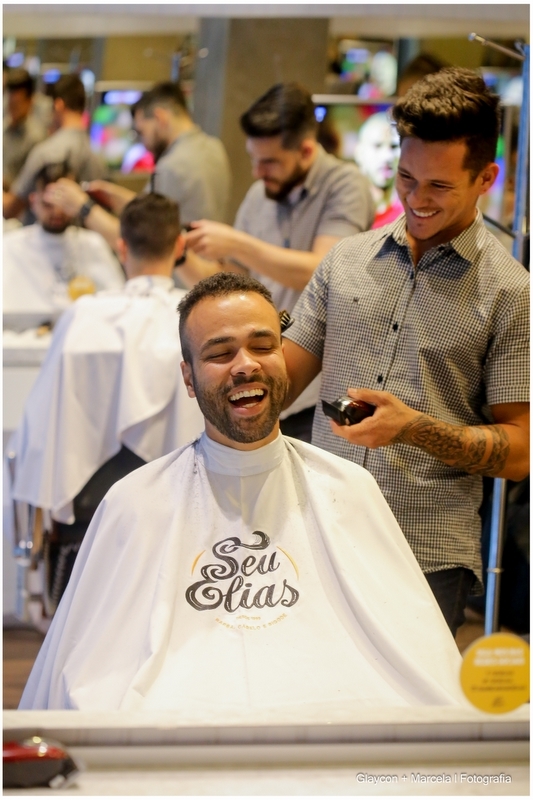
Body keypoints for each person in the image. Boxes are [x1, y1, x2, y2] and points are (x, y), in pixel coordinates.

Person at [20, 272, 465, 713]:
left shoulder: (347, 487)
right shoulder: (135, 501)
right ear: (189, 378)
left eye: (263, 346)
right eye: (219, 352)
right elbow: (85, 672)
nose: (246, 364)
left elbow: (418, 659)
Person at [281, 68, 530, 636]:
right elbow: (283, 379)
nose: (416, 200)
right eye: (405, 178)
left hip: (427, 554)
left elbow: (520, 452)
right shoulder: (345, 261)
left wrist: (414, 428)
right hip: (320, 529)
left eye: (439, 187)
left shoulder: (510, 292)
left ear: (486, 177)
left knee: (407, 722)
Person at [10, 193, 204, 612]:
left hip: (90, 506)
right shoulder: (196, 320)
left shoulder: (84, 316)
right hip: (178, 502)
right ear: (179, 247)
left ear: (121, 247)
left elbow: (41, 430)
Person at [182, 82, 375, 440]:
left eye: (269, 161)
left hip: (315, 391)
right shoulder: (261, 193)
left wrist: (238, 242)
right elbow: (232, 280)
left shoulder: (345, 185)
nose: (257, 172)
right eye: (254, 159)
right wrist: (180, 257)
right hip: (261, 379)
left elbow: (326, 271)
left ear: (305, 150)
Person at [41, 81, 232, 252]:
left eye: (141, 132)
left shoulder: (172, 166)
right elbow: (163, 211)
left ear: (160, 117)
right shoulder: (215, 148)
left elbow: (143, 240)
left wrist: (82, 207)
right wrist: (115, 196)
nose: (144, 144)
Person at [3, 163, 124, 318]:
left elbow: (115, 303)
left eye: (64, 203)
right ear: (33, 201)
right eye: (48, 204)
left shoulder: (93, 244)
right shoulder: (10, 247)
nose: (57, 211)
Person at [3, 74, 106, 222]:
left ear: (59, 105)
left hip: (41, 241)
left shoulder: (45, 153)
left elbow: (10, 208)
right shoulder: (97, 157)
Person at [354, 111, 403, 229]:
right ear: (359, 153)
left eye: (394, 146)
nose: (387, 156)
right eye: (377, 146)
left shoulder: (409, 216)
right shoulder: (343, 210)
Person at [3, 68, 47, 191]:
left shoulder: (36, 137)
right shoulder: (4, 127)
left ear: (30, 101)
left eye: (16, 105)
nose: (12, 110)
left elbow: (31, 187)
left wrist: (6, 182)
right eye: (9, 104)